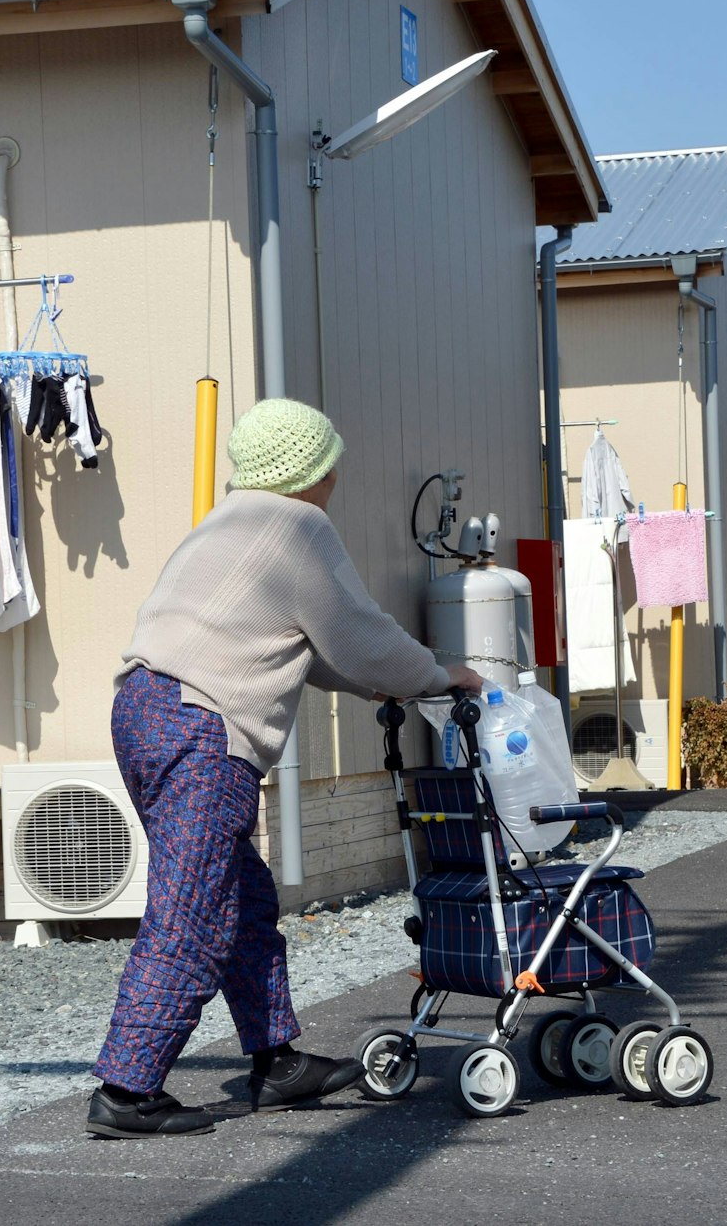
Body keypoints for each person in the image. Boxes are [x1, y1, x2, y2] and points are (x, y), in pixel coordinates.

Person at [87, 398, 484, 1139]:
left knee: (238, 894)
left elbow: (302, 642)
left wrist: (377, 682)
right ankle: (126, 1087)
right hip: (202, 727)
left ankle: (276, 1059)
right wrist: (438, 675)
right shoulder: (299, 525)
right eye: (329, 466)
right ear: (310, 470)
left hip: (145, 708)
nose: (334, 480)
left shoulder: (227, 521)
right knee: (193, 907)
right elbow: (358, 634)